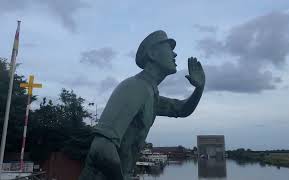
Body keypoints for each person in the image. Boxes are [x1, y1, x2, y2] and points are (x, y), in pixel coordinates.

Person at [79, 30, 205, 180]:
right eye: (169, 49)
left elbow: (181, 109)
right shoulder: (134, 87)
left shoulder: (150, 92)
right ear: (152, 54)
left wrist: (199, 88)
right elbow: (101, 148)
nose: (175, 54)